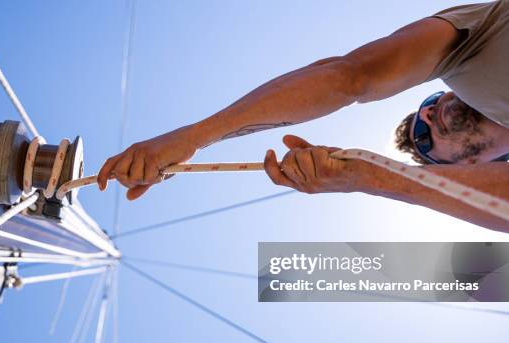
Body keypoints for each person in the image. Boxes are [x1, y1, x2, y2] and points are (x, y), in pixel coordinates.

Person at [98, 1, 509, 232]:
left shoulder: (471, 49)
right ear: (465, 169)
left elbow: (351, 76)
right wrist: (366, 176)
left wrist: (196, 136)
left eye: (428, 103)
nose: (430, 112)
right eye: (423, 138)